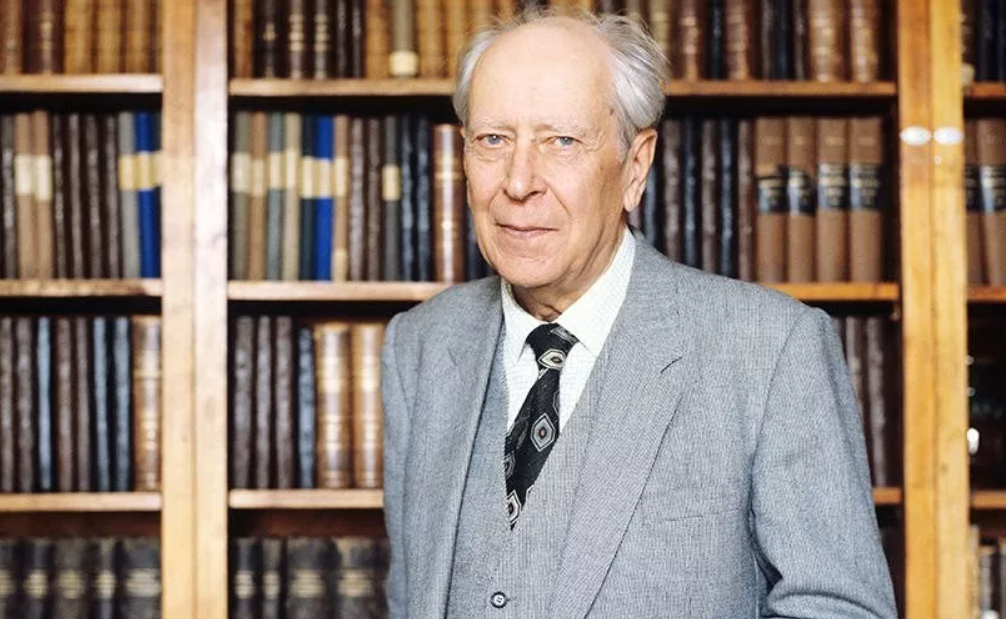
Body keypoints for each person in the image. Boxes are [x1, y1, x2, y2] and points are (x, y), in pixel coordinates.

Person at [380, 8, 898, 619]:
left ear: (635, 165)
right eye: (493, 139)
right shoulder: (418, 346)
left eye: (561, 141)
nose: (519, 182)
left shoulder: (771, 349)